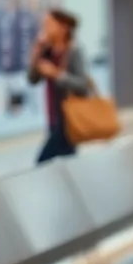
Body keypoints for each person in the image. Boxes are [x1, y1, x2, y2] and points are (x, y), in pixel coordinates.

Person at [28, 9, 91, 163]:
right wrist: (35, 55)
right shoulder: (46, 50)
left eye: (49, 24)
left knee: (43, 162)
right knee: (68, 164)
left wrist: (56, 74)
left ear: (63, 27)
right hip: (53, 116)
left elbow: (82, 85)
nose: (45, 28)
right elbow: (32, 79)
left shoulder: (74, 51)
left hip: (69, 117)